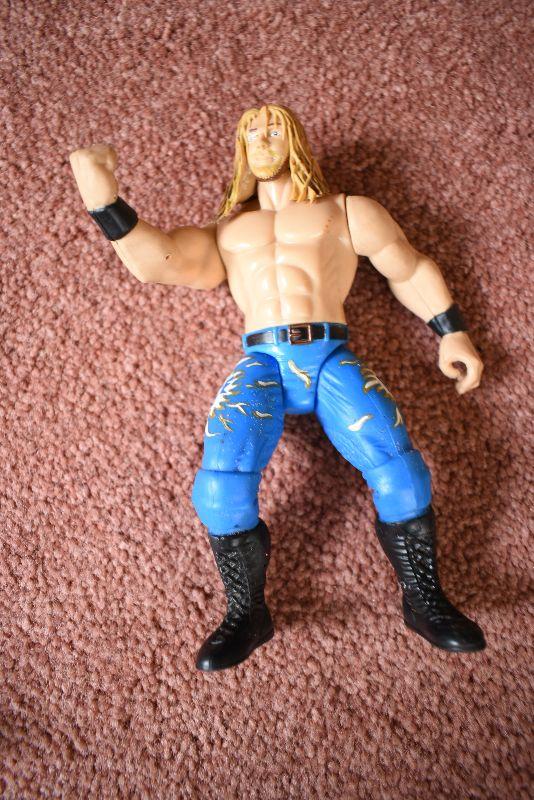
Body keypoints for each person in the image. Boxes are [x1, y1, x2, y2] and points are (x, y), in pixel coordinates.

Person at [69, 103, 486, 672]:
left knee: (402, 472)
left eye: (273, 130)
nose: (262, 140)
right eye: (251, 133)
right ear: (241, 150)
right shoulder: (228, 231)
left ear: (295, 140)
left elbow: (407, 268)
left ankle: (425, 600)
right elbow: (159, 261)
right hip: (263, 358)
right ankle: (246, 613)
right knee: (218, 489)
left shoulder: (347, 210)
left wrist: (451, 331)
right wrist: (103, 199)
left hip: (331, 354)